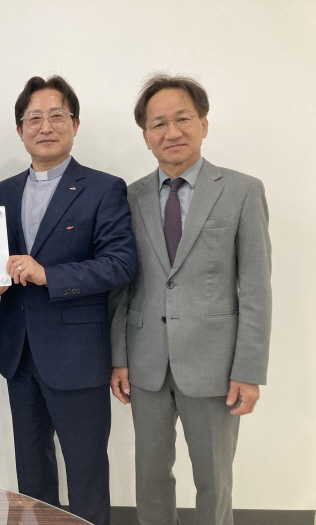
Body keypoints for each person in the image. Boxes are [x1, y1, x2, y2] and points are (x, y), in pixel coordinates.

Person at [110, 73, 271, 525]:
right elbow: (123, 285)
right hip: (146, 362)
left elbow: (256, 287)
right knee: (150, 476)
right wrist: (119, 358)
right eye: (158, 124)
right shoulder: (131, 196)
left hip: (215, 364)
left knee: (214, 480)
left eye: (182, 119)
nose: (172, 132)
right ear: (146, 136)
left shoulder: (242, 190)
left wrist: (249, 370)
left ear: (203, 123)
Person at [0, 75, 137, 525]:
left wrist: (48, 274)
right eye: (34, 118)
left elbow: (120, 264)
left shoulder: (104, 187)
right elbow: (1, 262)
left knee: (86, 471)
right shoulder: (3, 191)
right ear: (20, 129)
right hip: (19, 353)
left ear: (75, 124)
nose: (46, 126)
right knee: (31, 471)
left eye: (57, 116)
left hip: (78, 355)